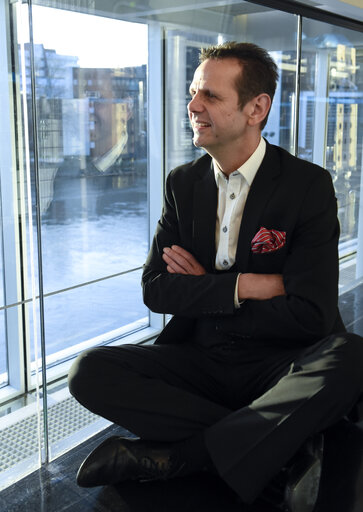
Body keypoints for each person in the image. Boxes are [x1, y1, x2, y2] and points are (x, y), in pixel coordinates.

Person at [68, 42, 363, 511]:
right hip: (201, 357)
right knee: (89, 371)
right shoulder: (182, 184)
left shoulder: (307, 186)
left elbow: (310, 315)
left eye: (209, 95)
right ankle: (272, 445)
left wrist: (204, 290)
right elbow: (156, 289)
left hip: (279, 364)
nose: (193, 106)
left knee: (352, 357)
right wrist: (243, 286)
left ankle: (181, 456)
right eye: (191, 92)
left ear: (256, 108)